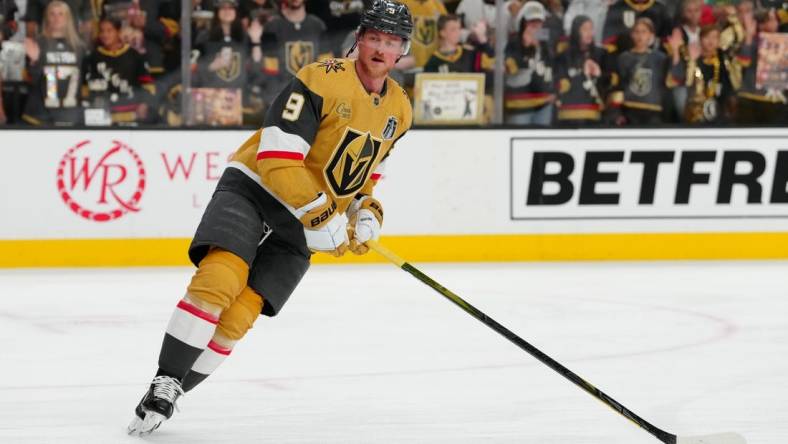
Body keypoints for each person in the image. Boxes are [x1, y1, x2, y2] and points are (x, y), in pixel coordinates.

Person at [127, 0, 413, 436]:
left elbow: (365, 176)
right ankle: (165, 378)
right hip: (257, 190)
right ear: (359, 40)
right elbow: (278, 158)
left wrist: (365, 212)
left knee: (241, 315)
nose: (380, 48)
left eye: (390, 41)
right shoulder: (320, 79)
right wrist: (322, 214)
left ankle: (173, 391)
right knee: (222, 278)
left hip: (303, 220)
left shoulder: (400, 110)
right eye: (373, 37)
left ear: (401, 51)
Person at [607, 17, 684, 125]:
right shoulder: (624, 58)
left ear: (651, 36)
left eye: (644, 32)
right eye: (637, 32)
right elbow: (618, 86)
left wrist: (675, 51)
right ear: (632, 34)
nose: (640, 36)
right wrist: (616, 113)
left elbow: (673, 80)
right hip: (630, 110)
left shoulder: (660, 58)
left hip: (654, 112)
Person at [22, 0, 86, 126]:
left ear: (68, 18)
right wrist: (34, 61)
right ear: (46, 18)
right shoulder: (38, 43)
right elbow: (31, 81)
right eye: (52, 14)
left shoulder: (79, 47)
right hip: (40, 113)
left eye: (60, 14)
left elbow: (84, 81)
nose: (56, 18)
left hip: (70, 113)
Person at [82, 17, 155, 125]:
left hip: (130, 114)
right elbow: (85, 86)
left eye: (109, 30)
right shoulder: (92, 57)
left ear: (118, 32)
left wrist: (144, 104)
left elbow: (147, 84)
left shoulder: (134, 55)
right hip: (101, 114)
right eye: (102, 31)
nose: (105, 35)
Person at [504, 1, 556, 126]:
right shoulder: (513, 43)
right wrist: (526, 48)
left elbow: (552, 69)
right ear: (523, 23)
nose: (536, 26)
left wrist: (554, 92)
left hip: (543, 103)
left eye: (539, 22)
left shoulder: (546, 45)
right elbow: (511, 69)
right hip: (520, 104)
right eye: (531, 22)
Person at [554, 15, 610, 125]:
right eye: (585, 29)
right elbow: (557, 81)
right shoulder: (564, 56)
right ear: (576, 31)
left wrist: (599, 74)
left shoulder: (601, 54)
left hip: (593, 115)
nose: (589, 33)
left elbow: (608, 84)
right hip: (567, 115)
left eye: (591, 29)